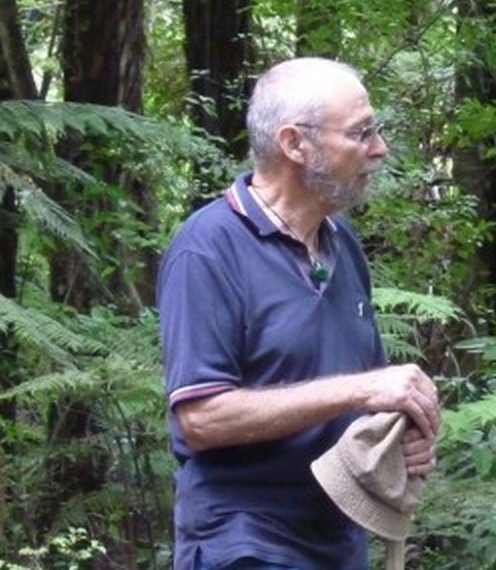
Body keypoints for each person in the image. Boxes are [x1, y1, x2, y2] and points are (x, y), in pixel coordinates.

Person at [157, 57, 440, 570]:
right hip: (244, 546)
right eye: (361, 132)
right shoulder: (207, 248)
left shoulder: (341, 242)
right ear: (294, 144)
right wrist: (361, 390)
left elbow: (366, 397)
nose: (379, 148)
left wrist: (401, 439)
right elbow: (200, 418)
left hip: (340, 539)